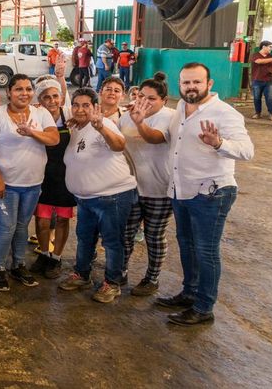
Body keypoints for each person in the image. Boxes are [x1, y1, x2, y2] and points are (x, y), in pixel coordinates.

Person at [156, 63, 254, 326]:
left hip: (211, 193)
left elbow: (247, 151)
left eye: (196, 82)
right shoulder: (180, 108)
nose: (191, 87)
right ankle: (189, 293)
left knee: (206, 251)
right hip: (182, 189)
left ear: (209, 84)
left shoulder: (225, 113)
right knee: (187, 246)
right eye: (186, 82)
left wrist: (219, 143)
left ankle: (204, 306)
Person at [0, 75, 59, 291]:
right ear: (8, 93)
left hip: (33, 184)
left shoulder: (40, 113)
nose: (24, 93)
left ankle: (18, 264)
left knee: (22, 226)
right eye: (18, 89)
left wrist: (32, 132)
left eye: (28, 89)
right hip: (6, 184)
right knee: (7, 226)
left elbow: (54, 139)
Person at [59, 88, 137, 304]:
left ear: (95, 108)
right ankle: (82, 274)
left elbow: (119, 145)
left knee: (112, 242)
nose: (80, 109)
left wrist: (101, 127)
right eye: (76, 105)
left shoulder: (103, 125)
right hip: (85, 199)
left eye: (86, 105)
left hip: (111, 196)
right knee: (84, 238)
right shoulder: (76, 127)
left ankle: (112, 283)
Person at [118, 73, 175, 296]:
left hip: (159, 189)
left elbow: (154, 138)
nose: (145, 101)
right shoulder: (126, 116)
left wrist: (140, 121)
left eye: (151, 98)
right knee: (125, 234)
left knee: (154, 236)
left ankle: (152, 279)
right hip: (130, 187)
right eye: (141, 95)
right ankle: (119, 272)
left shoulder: (170, 117)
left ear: (164, 100)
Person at [31, 78, 75, 279]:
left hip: (66, 177)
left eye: (55, 96)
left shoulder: (70, 115)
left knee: (63, 221)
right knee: (42, 221)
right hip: (42, 175)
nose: (52, 100)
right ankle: (44, 253)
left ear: (61, 97)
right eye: (46, 97)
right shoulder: (36, 116)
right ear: (39, 99)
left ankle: (56, 258)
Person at [248, 40, 272, 120]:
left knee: (269, 97)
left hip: (269, 80)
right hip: (257, 80)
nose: (271, 48)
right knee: (257, 97)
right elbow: (259, 61)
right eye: (270, 46)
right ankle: (257, 113)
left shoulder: (271, 56)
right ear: (264, 47)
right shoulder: (255, 55)